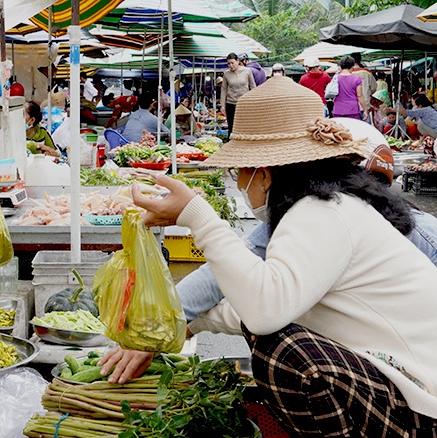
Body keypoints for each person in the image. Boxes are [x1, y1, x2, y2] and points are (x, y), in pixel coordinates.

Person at [100, 78, 437, 435]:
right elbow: (269, 300)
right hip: (409, 392)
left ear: (263, 174)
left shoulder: (322, 214)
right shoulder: (324, 210)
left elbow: (264, 312)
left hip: (422, 408)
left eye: (239, 171)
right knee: (275, 329)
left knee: (283, 350)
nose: (239, 179)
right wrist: (184, 326)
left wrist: (198, 216)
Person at [220, 53, 256, 135]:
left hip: (244, 103)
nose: (231, 65)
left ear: (237, 61)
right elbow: (224, 89)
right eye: (228, 63)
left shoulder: (247, 71)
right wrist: (222, 105)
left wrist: (254, 101)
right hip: (231, 103)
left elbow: (253, 86)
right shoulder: (226, 73)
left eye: (232, 63)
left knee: (245, 126)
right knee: (232, 127)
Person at [332, 56, 368, 121]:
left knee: (339, 130)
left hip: (338, 109)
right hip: (352, 109)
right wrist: (365, 109)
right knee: (352, 129)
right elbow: (359, 95)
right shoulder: (357, 79)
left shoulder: (336, 78)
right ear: (352, 66)